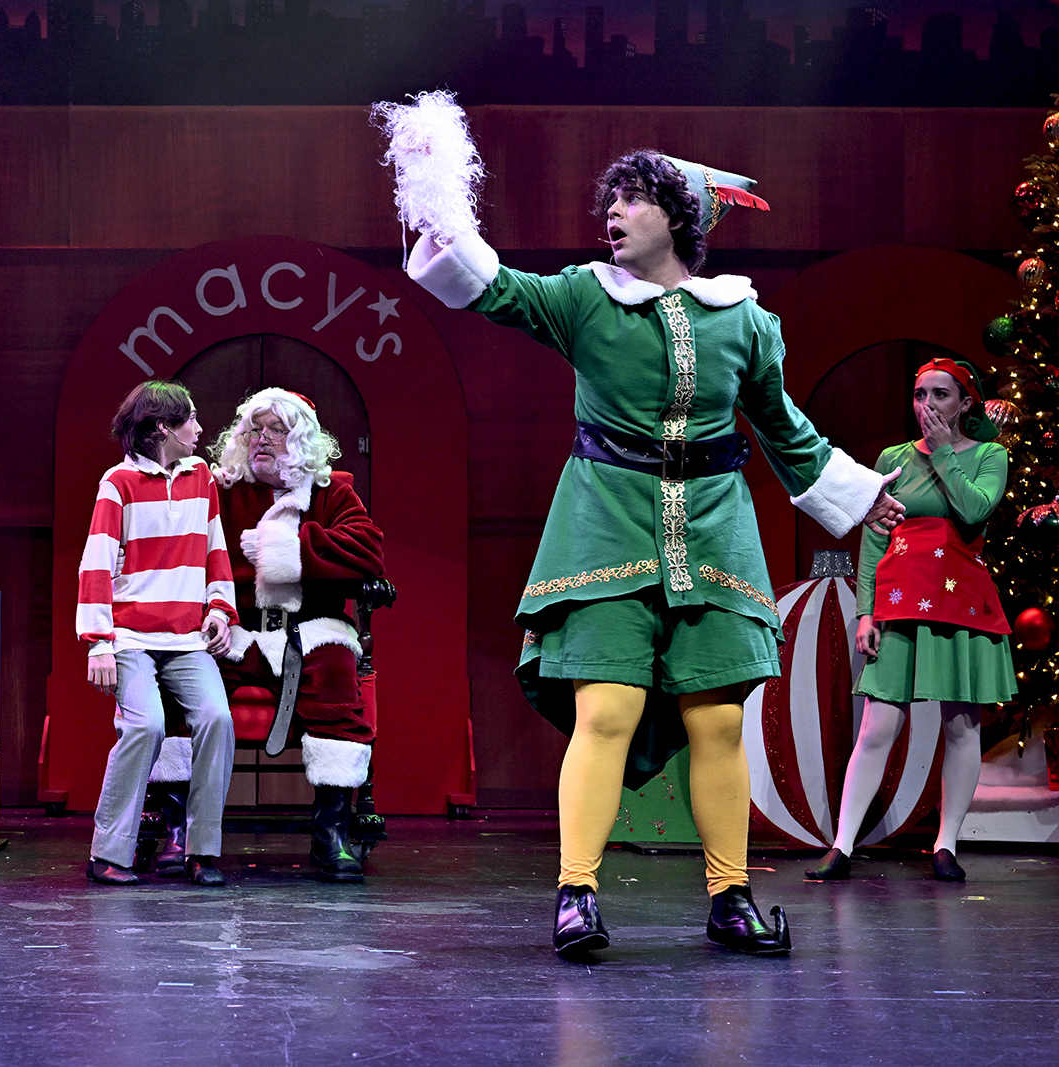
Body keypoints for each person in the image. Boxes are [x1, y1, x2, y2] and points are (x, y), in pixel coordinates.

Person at [376, 94, 904, 957]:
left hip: (715, 528)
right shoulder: (586, 297)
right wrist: (442, 209)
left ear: (679, 217)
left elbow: (782, 427)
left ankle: (730, 897)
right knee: (608, 710)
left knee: (719, 722)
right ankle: (576, 894)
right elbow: (496, 288)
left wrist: (855, 492)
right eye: (611, 201)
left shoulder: (744, 319)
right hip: (607, 526)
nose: (613, 213)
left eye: (632, 199)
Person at [147, 388, 385, 882]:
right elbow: (177, 548)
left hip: (311, 632)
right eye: (254, 429)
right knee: (178, 686)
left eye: (276, 429)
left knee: (337, 677)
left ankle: (331, 833)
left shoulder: (332, 491)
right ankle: (178, 828)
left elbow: (367, 552)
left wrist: (286, 548)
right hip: (232, 629)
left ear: (302, 440)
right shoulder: (220, 490)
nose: (262, 438)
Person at [807, 360, 1015, 883]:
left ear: (965, 402)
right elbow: (875, 537)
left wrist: (944, 452)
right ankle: (842, 846)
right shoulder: (893, 458)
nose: (927, 405)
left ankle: (946, 846)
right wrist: (866, 611)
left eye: (940, 395)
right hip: (900, 602)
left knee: (961, 725)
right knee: (878, 726)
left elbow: (974, 510)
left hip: (959, 603)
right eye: (920, 394)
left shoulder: (989, 456)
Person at [78, 380, 237, 887]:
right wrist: (98, 642)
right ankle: (107, 852)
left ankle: (201, 850)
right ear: (164, 427)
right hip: (129, 637)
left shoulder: (201, 477)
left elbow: (215, 550)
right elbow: (96, 563)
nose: (200, 428)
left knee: (217, 718)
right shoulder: (118, 483)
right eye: (191, 419)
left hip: (187, 639)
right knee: (145, 727)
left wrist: (220, 610)